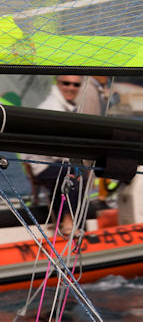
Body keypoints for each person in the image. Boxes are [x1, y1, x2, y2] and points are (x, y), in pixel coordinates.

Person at [19, 75, 85, 234]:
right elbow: (57, 150)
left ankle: (66, 221)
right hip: (41, 166)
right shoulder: (53, 107)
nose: (71, 88)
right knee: (73, 173)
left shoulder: (65, 106)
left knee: (72, 170)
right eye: (66, 83)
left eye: (76, 85)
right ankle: (69, 222)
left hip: (51, 163)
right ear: (58, 83)